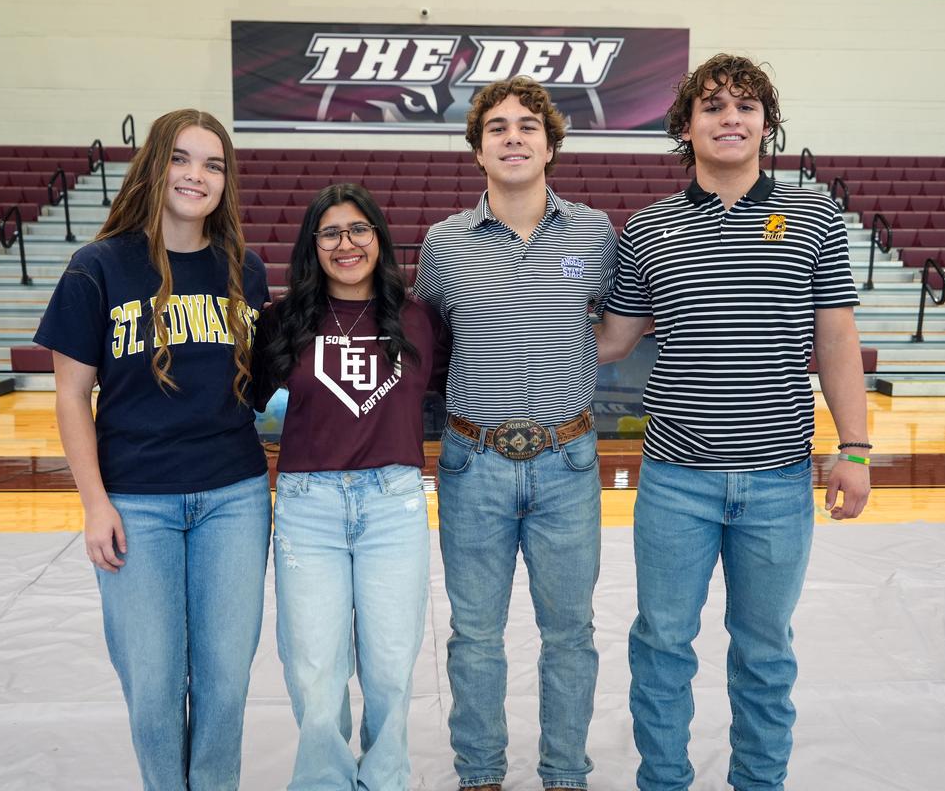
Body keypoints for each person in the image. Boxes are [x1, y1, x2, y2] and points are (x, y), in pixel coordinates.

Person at [595, 54, 872, 791]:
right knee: (662, 644)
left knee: (765, 652)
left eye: (746, 106)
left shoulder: (814, 216)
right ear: (685, 127)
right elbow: (611, 340)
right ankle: (663, 781)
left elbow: (836, 339)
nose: (730, 118)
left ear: (766, 124)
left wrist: (854, 449)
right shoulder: (648, 228)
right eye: (713, 106)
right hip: (674, 482)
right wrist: (514, 319)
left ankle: (758, 782)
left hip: (779, 480)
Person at [34, 109, 271, 791]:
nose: (197, 175)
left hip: (235, 496)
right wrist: (94, 504)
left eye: (213, 164)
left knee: (225, 679)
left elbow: (261, 387)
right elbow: (71, 396)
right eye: (182, 159)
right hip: (136, 501)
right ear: (154, 167)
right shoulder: (98, 268)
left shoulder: (245, 270)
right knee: (154, 682)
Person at [414, 76, 618, 791]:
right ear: (477, 150)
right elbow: (427, 344)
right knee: (475, 634)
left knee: (570, 633)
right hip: (474, 462)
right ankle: (480, 774)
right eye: (496, 127)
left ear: (550, 145)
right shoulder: (443, 244)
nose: (513, 137)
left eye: (528, 125)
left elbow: (617, 328)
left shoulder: (595, 234)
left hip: (568, 461)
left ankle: (565, 774)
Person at [256, 183, 447, 791]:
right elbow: (245, 403)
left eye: (359, 229)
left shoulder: (418, 319)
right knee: (314, 669)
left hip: (394, 504)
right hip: (308, 507)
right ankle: (324, 780)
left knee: (390, 665)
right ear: (312, 245)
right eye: (331, 232)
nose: (347, 244)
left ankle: (386, 778)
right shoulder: (281, 321)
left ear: (379, 238)